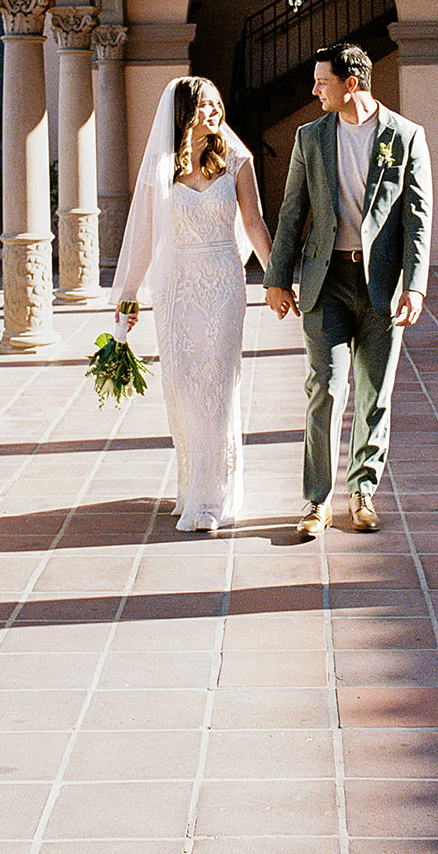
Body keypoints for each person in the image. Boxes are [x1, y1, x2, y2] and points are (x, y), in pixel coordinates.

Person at [264, 42, 432, 537]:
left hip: (382, 284)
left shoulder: (405, 137)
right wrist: (277, 277)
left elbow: (418, 221)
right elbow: (293, 212)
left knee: (376, 393)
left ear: (350, 84)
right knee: (325, 388)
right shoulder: (309, 138)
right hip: (326, 279)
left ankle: (362, 492)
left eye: (322, 82)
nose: (314, 90)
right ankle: (316, 501)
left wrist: (416, 287)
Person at [111, 76, 271, 533]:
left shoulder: (237, 161)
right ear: (184, 113)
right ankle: (192, 488)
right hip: (176, 285)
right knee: (182, 389)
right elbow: (143, 234)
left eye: (217, 104)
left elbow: (255, 224)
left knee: (217, 389)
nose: (214, 112)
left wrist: (276, 277)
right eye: (204, 105)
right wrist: (128, 295)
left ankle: (213, 499)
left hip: (222, 284)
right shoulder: (161, 168)